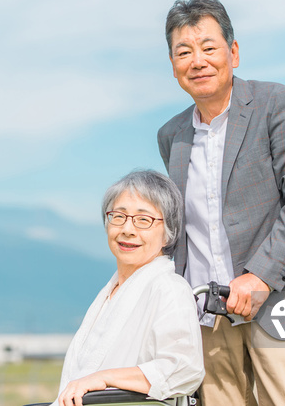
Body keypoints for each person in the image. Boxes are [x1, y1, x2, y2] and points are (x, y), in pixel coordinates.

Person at [158, 0, 285, 405]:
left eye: (209, 47)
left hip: (280, 296)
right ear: (173, 65)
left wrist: (260, 276)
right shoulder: (171, 135)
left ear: (234, 52)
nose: (198, 60)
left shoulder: (277, 104)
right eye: (184, 51)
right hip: (208, 314)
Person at [53, 170, 204, 406]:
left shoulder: (169, 289)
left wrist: (103, 379)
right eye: (119, 216)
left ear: (168, 233)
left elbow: (184, 369)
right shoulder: (111, 292)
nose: (128, 229)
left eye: (144, 220)